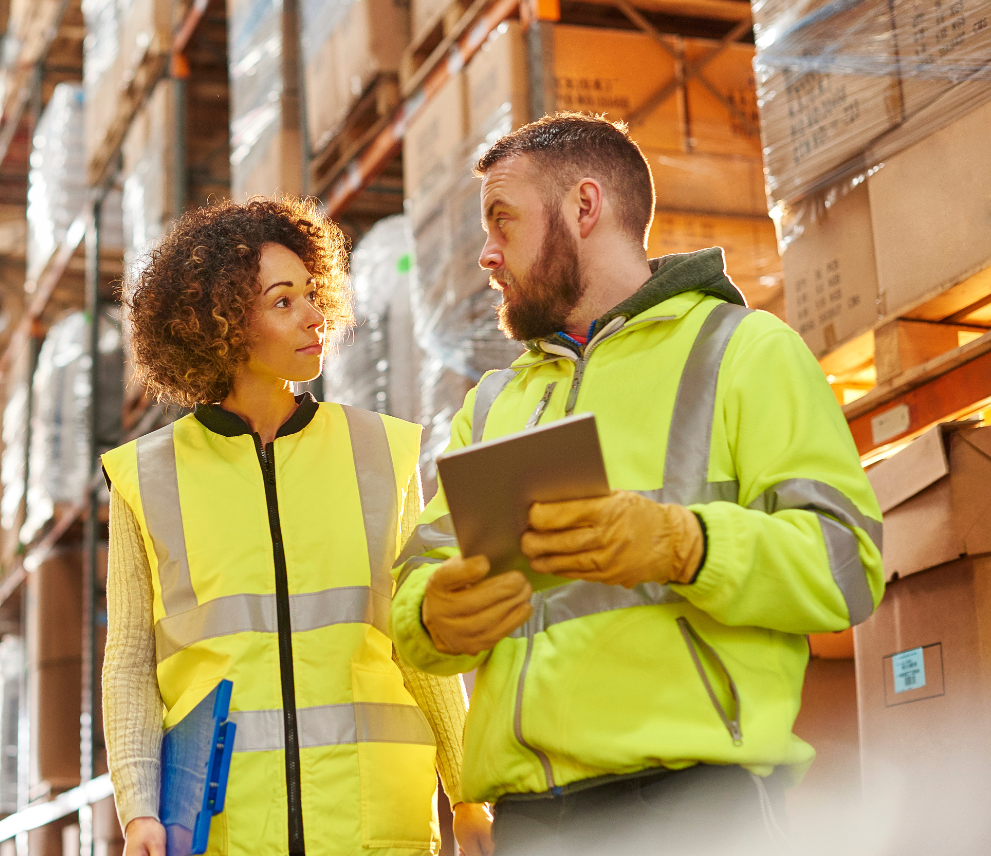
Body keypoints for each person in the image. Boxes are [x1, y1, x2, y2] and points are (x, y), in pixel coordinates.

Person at [389, 113, 884, 855]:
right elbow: (416, 581)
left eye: (503, 221)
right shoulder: (494, 404)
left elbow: (847, 565)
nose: (488, 255)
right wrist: (431, 619)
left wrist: (686, 546)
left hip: (692, 807)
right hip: (529, 821)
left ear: (584, 208)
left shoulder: (744, 353)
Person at [100, 199, 494, 856]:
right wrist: (139, 808)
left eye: (313, 293)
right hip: (229, 835)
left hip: (379, 830)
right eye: (283, 302)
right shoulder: (147, 477)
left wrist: (468, 792)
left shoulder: (381, 453)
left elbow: (416, 648)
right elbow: (130, 666)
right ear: (219, 324)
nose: (314, 316)